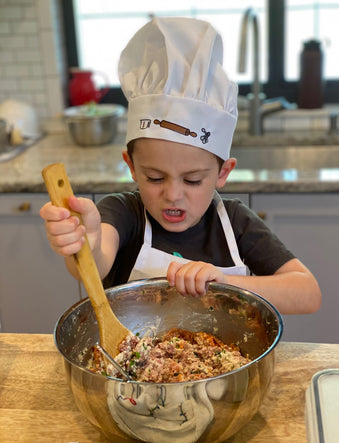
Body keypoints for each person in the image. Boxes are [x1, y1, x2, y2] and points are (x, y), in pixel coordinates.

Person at [40, 17, 321, 315]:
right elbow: (95, 265)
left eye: (193, 181)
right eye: (155, 177)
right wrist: (87, 245)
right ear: (131, 166)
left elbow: (308, 293)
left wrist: (225, 282)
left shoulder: (235, 223)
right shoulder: (124, 214)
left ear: (223, 172)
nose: (173, 194)